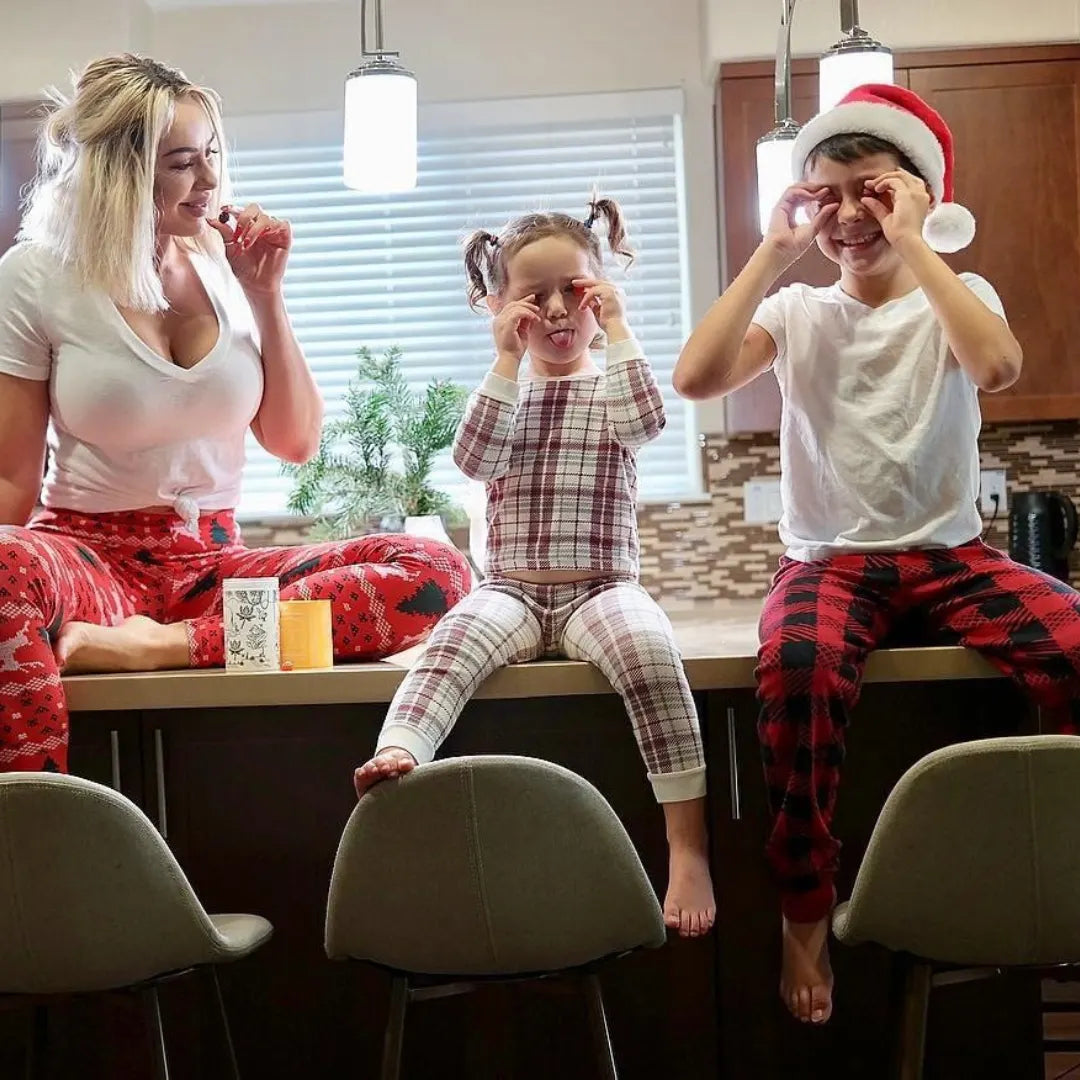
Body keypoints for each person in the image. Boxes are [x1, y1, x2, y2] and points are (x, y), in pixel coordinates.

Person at [673, 83, 1080, 1020]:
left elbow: (997, 366)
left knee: (1072, 647)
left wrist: (915, 242)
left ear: (921, 198)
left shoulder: (961, 291)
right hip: (829, 564)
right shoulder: (801, 314)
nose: (850, 213)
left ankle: (1056, 873)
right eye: (827, 195)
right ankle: (805, 909)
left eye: (875, 190)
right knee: (800, 671)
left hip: (952, 555)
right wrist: (774, 251)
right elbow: (696, 379)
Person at [0, 54, 470, 773]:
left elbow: (295, 439)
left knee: (436, 568)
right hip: (90, 558)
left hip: (215, 569)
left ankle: (166, 647)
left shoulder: (229, 260)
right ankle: (32, 837)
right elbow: (13, 487)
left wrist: (265, 295)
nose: (212, 181)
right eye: (183, 162)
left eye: (212, 155)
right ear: (120, 173)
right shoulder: (34, 276)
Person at [353, 198, 716, 937]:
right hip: (511, 590)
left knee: (652, 657)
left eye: (574, 290)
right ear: (497, 303)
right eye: (533, 294)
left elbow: (647, 420)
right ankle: (398, 750)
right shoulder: (503, 388)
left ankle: (687, 846)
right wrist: (505, 359)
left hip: (603, 589)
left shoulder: (613, 382)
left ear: (602, 288)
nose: (555, 308)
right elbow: (474, 459)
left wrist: (617, 330)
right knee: (448, 647)